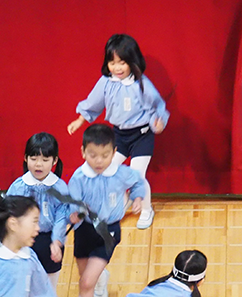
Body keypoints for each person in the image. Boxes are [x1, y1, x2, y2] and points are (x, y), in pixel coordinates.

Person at [67, 34, 169, 230]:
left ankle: (146, 210)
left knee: (137, 175)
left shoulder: (141, 84)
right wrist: (80, 120)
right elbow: (93, 103)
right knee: (107, 171)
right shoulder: (106, 83)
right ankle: (120, 204)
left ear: (132, 61)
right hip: (119, 136)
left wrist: (159, 122)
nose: (117, 68)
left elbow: (157, 106)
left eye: (122, 62)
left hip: (141, 135)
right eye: (112, 63)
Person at [56, 124, 145, 297]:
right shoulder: (78, 177)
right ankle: (102, 278)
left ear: (114, 152)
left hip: (108, 231)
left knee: (86, 283)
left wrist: (138, 197)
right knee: (85, 277)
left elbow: (138, 182)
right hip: (84, 231)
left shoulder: (122, 173)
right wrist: (74, 214)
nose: (98, 161)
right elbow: (73, 203)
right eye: (93, 155)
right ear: (83, 152)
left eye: (105, 155)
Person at [6, 132, 69, 297]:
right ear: (25, 158)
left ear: (54, 160)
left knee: (49, 284)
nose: (38, 164)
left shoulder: (60, 187)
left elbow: (61, 217)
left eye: (44, 159)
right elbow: (12, 215)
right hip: (26, 240)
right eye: (33, 158)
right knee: (29, 278)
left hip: (50, 240)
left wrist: (57, 242)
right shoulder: (18, 186)